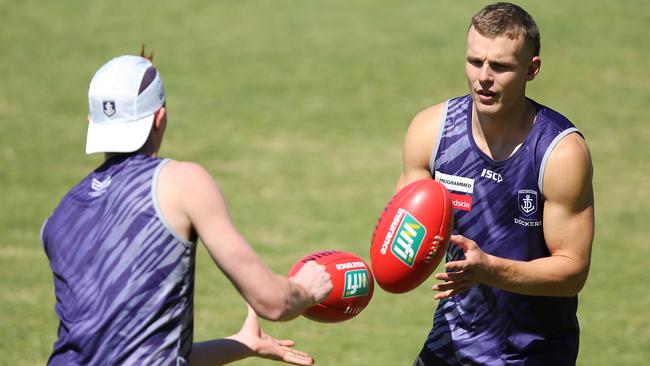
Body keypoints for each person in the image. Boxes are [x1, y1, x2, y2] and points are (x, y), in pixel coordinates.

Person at [41, 51, 333, 365]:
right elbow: (274, 302)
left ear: (91, 123)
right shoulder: (180, 183)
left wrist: (241, 344)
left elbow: (133, 354)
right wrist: (306, 289)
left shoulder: (58, 218)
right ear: (160, 118)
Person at [396, 3, 594, 365]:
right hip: (450, 345)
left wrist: (488, 269)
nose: (483, 77)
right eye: (475, 62)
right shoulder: (431, 131)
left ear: (531, 69)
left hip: (533, 353)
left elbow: (572, 272)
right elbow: (403, 229)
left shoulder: (559, 153)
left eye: (500, 66)